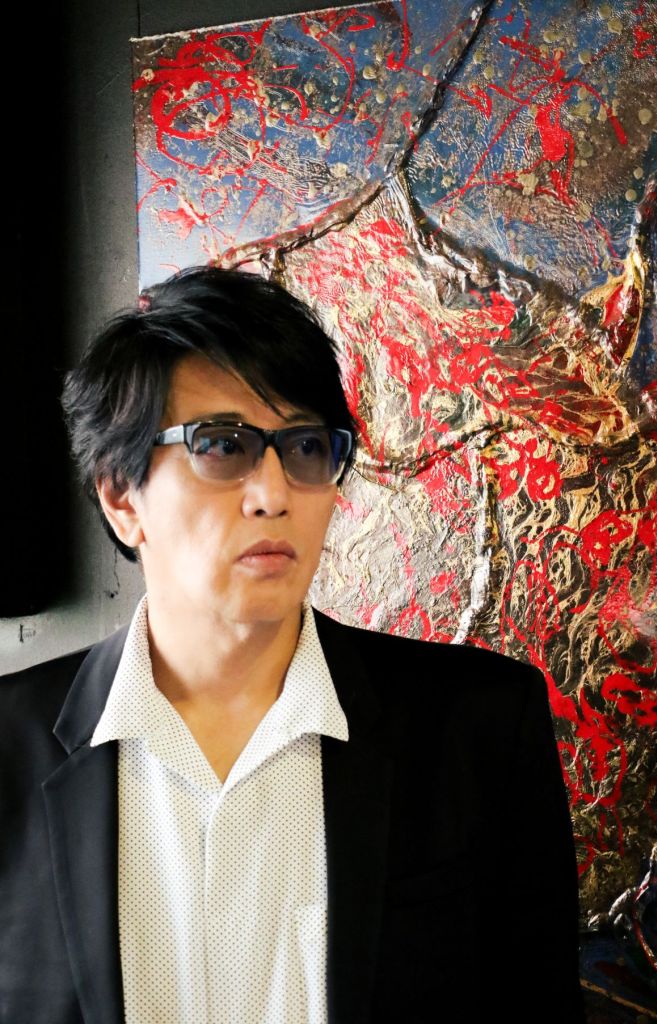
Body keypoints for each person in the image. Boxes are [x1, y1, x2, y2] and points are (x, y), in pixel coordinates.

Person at [0, 266, 585, 1024]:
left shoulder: (479, 728)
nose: (274, 494)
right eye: (222, 445)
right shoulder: (10, 750)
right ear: (122, 497)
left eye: (306, 447)